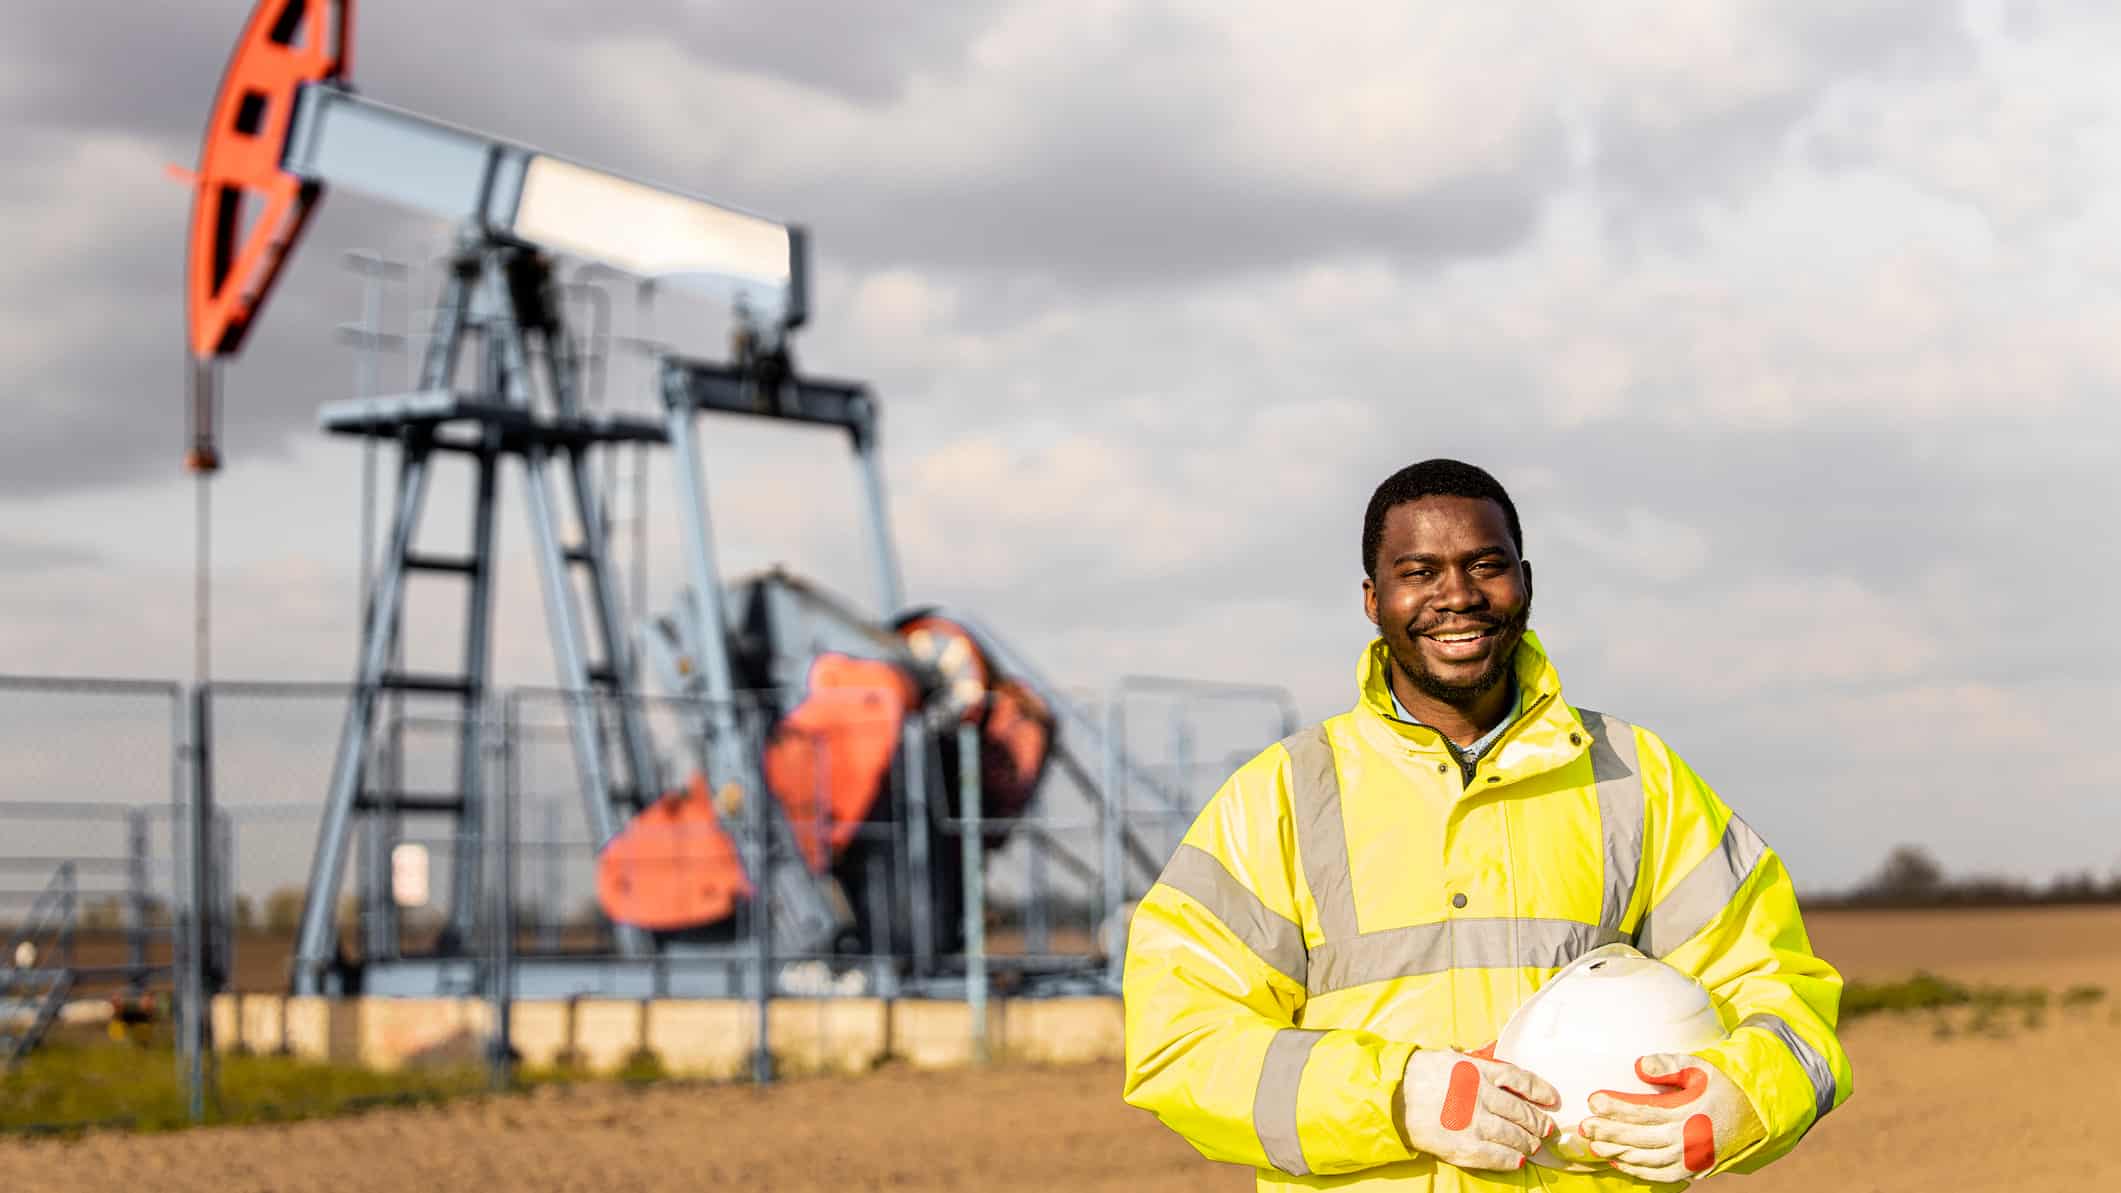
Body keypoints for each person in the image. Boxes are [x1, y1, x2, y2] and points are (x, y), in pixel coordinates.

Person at [1121, 459, 1849, 1190]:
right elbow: (1180, 1043)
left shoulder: (1638, 777)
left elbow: (1777, 989)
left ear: (1525, 582)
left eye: (1484, 565)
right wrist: (1396, 1097)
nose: (1457, 595)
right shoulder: (1280, 795)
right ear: (1374, 599)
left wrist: (1744, 1095)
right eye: (1419, 571)